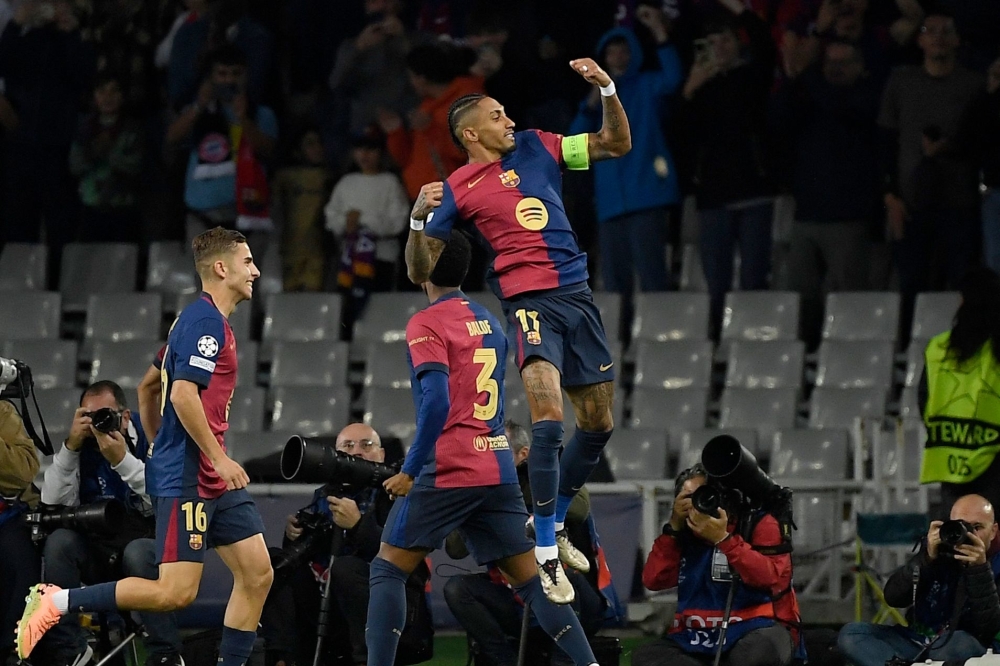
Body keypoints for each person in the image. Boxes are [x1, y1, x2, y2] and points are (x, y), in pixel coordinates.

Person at [405, 53, 630, 604]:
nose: (509, 121)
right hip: (529, 303)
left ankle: (543, 521)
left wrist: (607, 88)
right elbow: (419, 270)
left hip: (577, 297)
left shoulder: (539, 145)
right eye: (498, 115)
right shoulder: (457, 187)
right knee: (548, 416)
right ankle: (548, 550)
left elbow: (613, 143)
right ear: (471, 132)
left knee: (598, 424)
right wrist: (416, 219)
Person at [16, 227, 272, 666]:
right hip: (192, 477)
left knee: (257, 573)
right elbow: (181, 394)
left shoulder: (195, 320)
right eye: (247, 262)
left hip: (205, 475)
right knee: (175, 593)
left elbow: (148, 385)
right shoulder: (205, 323)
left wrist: (158, 444)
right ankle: (53, 603)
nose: (256, 270)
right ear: (221, 267)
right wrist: (215, 457)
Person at [366, 230, 603, 666]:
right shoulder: (487, 318)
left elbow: (437, 401)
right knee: (534, 582)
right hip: (496, 466)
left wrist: (412, 469)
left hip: (449, 466)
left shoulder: (427, 322)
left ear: (426, 264)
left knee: (387, 569)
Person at [443, 419, 617, 666]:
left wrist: (520, 492)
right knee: (457, 589)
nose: (487, 460)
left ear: (523, 455)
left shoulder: (547, 474)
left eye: (497, 451)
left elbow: (579, 509)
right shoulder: (478, 491)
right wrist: (474, 500)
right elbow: (454, 549)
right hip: (514, 594)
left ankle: (564, 661)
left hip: (574, 592)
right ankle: (501, 660)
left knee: (566, 580)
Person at [260, 423, 431, 666]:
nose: (357, 452)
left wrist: (358, 526)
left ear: (381, 455)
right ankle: (283, 658)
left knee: (346, 568)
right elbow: (309, 557)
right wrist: (295, 536)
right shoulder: (328, 494)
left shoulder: (398, 493)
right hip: (333, 613)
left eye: (366, 445)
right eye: (348, 446)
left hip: (394, 613)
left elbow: (409, 566)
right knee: (273, 562)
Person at [37, 380, 182, 666]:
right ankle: (70, 651)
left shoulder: (153, 431)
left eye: (105, 415)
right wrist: (70, 447)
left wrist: (122, 460)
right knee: (59, 543)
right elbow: (51, 499)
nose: (98, 424)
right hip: (101, 550)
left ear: (125, 417)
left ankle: (166, 654)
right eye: (89, 416)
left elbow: (167, 498)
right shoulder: (81, 446)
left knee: (138, 552)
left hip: (151, 551)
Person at [567, 5, 682, 335]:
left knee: (651, 276)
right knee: (615, 282)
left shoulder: (647, 85)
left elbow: (673, 77)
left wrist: (660, 32)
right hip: (610, 204)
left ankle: (660, 337)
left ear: (633, 54)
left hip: (647, 198)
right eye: (610, 51)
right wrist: (591, 98)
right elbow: (575, 139)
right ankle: (619, 342)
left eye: (623, 49)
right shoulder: (596, 101)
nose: (616, 56)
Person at [631, 464, 803, 666]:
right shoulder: (681, 534)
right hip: (695, 636)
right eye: (688, 498)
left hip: (755, 628)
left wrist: (724, 540)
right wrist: (674, 527)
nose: (698, 504)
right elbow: (654, 579)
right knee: (645, 657)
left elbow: (770, 578)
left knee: (752, 657)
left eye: (704, 495)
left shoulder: (755, 523)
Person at [879, 12, 983, 338]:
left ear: (956, 40)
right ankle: (910, 349)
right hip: (911, 203)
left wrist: (951, 149)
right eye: (930, 31)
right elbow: (884, 142)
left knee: (961, 282)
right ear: (920, 40)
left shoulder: (973, 85)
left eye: (945, 31)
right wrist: (890, 196)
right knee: (912, 283)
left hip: (960, 201)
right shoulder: (901, 82)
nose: (938, 37)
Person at [772, 39, 881, 349]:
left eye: (843, 62)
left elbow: (840, 107)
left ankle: (853, 358)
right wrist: (794, 79)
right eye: (829, 63)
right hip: (806, 214)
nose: (835, 69)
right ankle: (801, 362)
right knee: (800, 298)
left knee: (850, 297)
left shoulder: (866, 97)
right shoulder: (809, 98)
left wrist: (807, 75)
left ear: (860, 66)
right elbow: (776, 120)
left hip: (848, 217)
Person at [679, 0, 778, 337]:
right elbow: (678, 135)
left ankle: (753, 341)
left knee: (754, 279)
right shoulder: (697, 88)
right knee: (716, 281)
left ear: (738, 44)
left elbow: (766, 47)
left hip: (753, 192)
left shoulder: (752, 77)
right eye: (713, 42)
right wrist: (689, 90)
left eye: (726, 40)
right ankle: (718, 345)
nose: (719, 47)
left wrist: (742, 11)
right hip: (713, 197)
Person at [838, 494, 1000, 666]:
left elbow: (989, 629)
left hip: (965, 645)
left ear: (993, 531)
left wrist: (979, 569)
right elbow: (893, 597)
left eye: (977, 527)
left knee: (955, 644)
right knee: (852, 634)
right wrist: (926, 558)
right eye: (961, 526)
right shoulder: (937, 553)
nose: (968, 534)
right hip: (917, 641)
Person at [166, 44, 278, 246]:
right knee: (208, 279)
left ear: (246, 76)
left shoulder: (262, 114)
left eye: (236, 74)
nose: (229, 80)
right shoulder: (197, 112)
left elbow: (267, 150)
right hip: (202, 215)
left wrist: (244, 118)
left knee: (245, 279)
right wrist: (199, 105)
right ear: (211, 77)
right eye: (222, 74)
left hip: (248, 214)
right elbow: (172, 138)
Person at [917, 268, 1000, 515]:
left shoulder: (938, 347)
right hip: (995, 461)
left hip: (950, 459)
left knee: (955, 540)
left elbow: (924, 400)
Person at [325, 127, 410, 331]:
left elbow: (398, 221)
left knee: (378, 306)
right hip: (349, 257)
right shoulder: (346, 183)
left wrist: (364, 221)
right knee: (349, 308)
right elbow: (331, 217)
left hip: (381, 257)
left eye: (371, 149)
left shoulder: (390, 183)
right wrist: (346, 224)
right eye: (360, 149)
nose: (364, 155)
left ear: (381, 153)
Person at [378, 41, 485, 201]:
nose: (411, 83)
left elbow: (468, 153)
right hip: (425, 202)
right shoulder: (426, 106)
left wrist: (431, 129)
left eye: (412, 77)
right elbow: (407, 159)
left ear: (422, 78)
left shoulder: (469, 102)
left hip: (455, 201)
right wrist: (396, 132)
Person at [68, 75, 145, 243]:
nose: (107, 97)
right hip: (91, 207)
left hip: (124, 207)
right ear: (94, 96)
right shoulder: (84, 129)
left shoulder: (133, 128)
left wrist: (109, 154)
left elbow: (137, 166)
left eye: (114, 91)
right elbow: (75, 166)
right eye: (102, 91)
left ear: (122, 96)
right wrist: (94, 153)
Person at [0, 399, 40, 666]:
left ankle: (11, 653)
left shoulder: (3, 412)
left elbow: (24, 470)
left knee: (20, 558)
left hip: (8, 517)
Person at [272, 127, 334, 291]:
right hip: (289, 250)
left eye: (319, 144)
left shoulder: (329, 177)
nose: (317, 149)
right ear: (298, 149)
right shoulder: (284, 178)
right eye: (310, 144)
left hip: (319, 252)